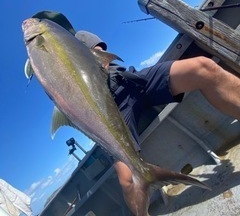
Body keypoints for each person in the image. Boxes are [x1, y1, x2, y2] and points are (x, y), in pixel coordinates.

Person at [28, 11, 240, 214]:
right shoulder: (38, 60)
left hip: (130, 83)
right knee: (127, 179)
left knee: (203, 67)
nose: (30, 23)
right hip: (113, 112)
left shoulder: (80, 37)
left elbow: (104, 58)